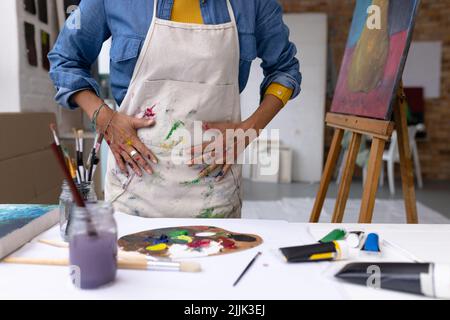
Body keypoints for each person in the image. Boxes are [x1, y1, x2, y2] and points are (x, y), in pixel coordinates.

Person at [49, 0, 302, 218]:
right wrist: (104, 117)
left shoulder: (251, 4)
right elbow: (65, 60)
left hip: (215, 194)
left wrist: (249, 130)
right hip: (134, 190)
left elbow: (284, 69)